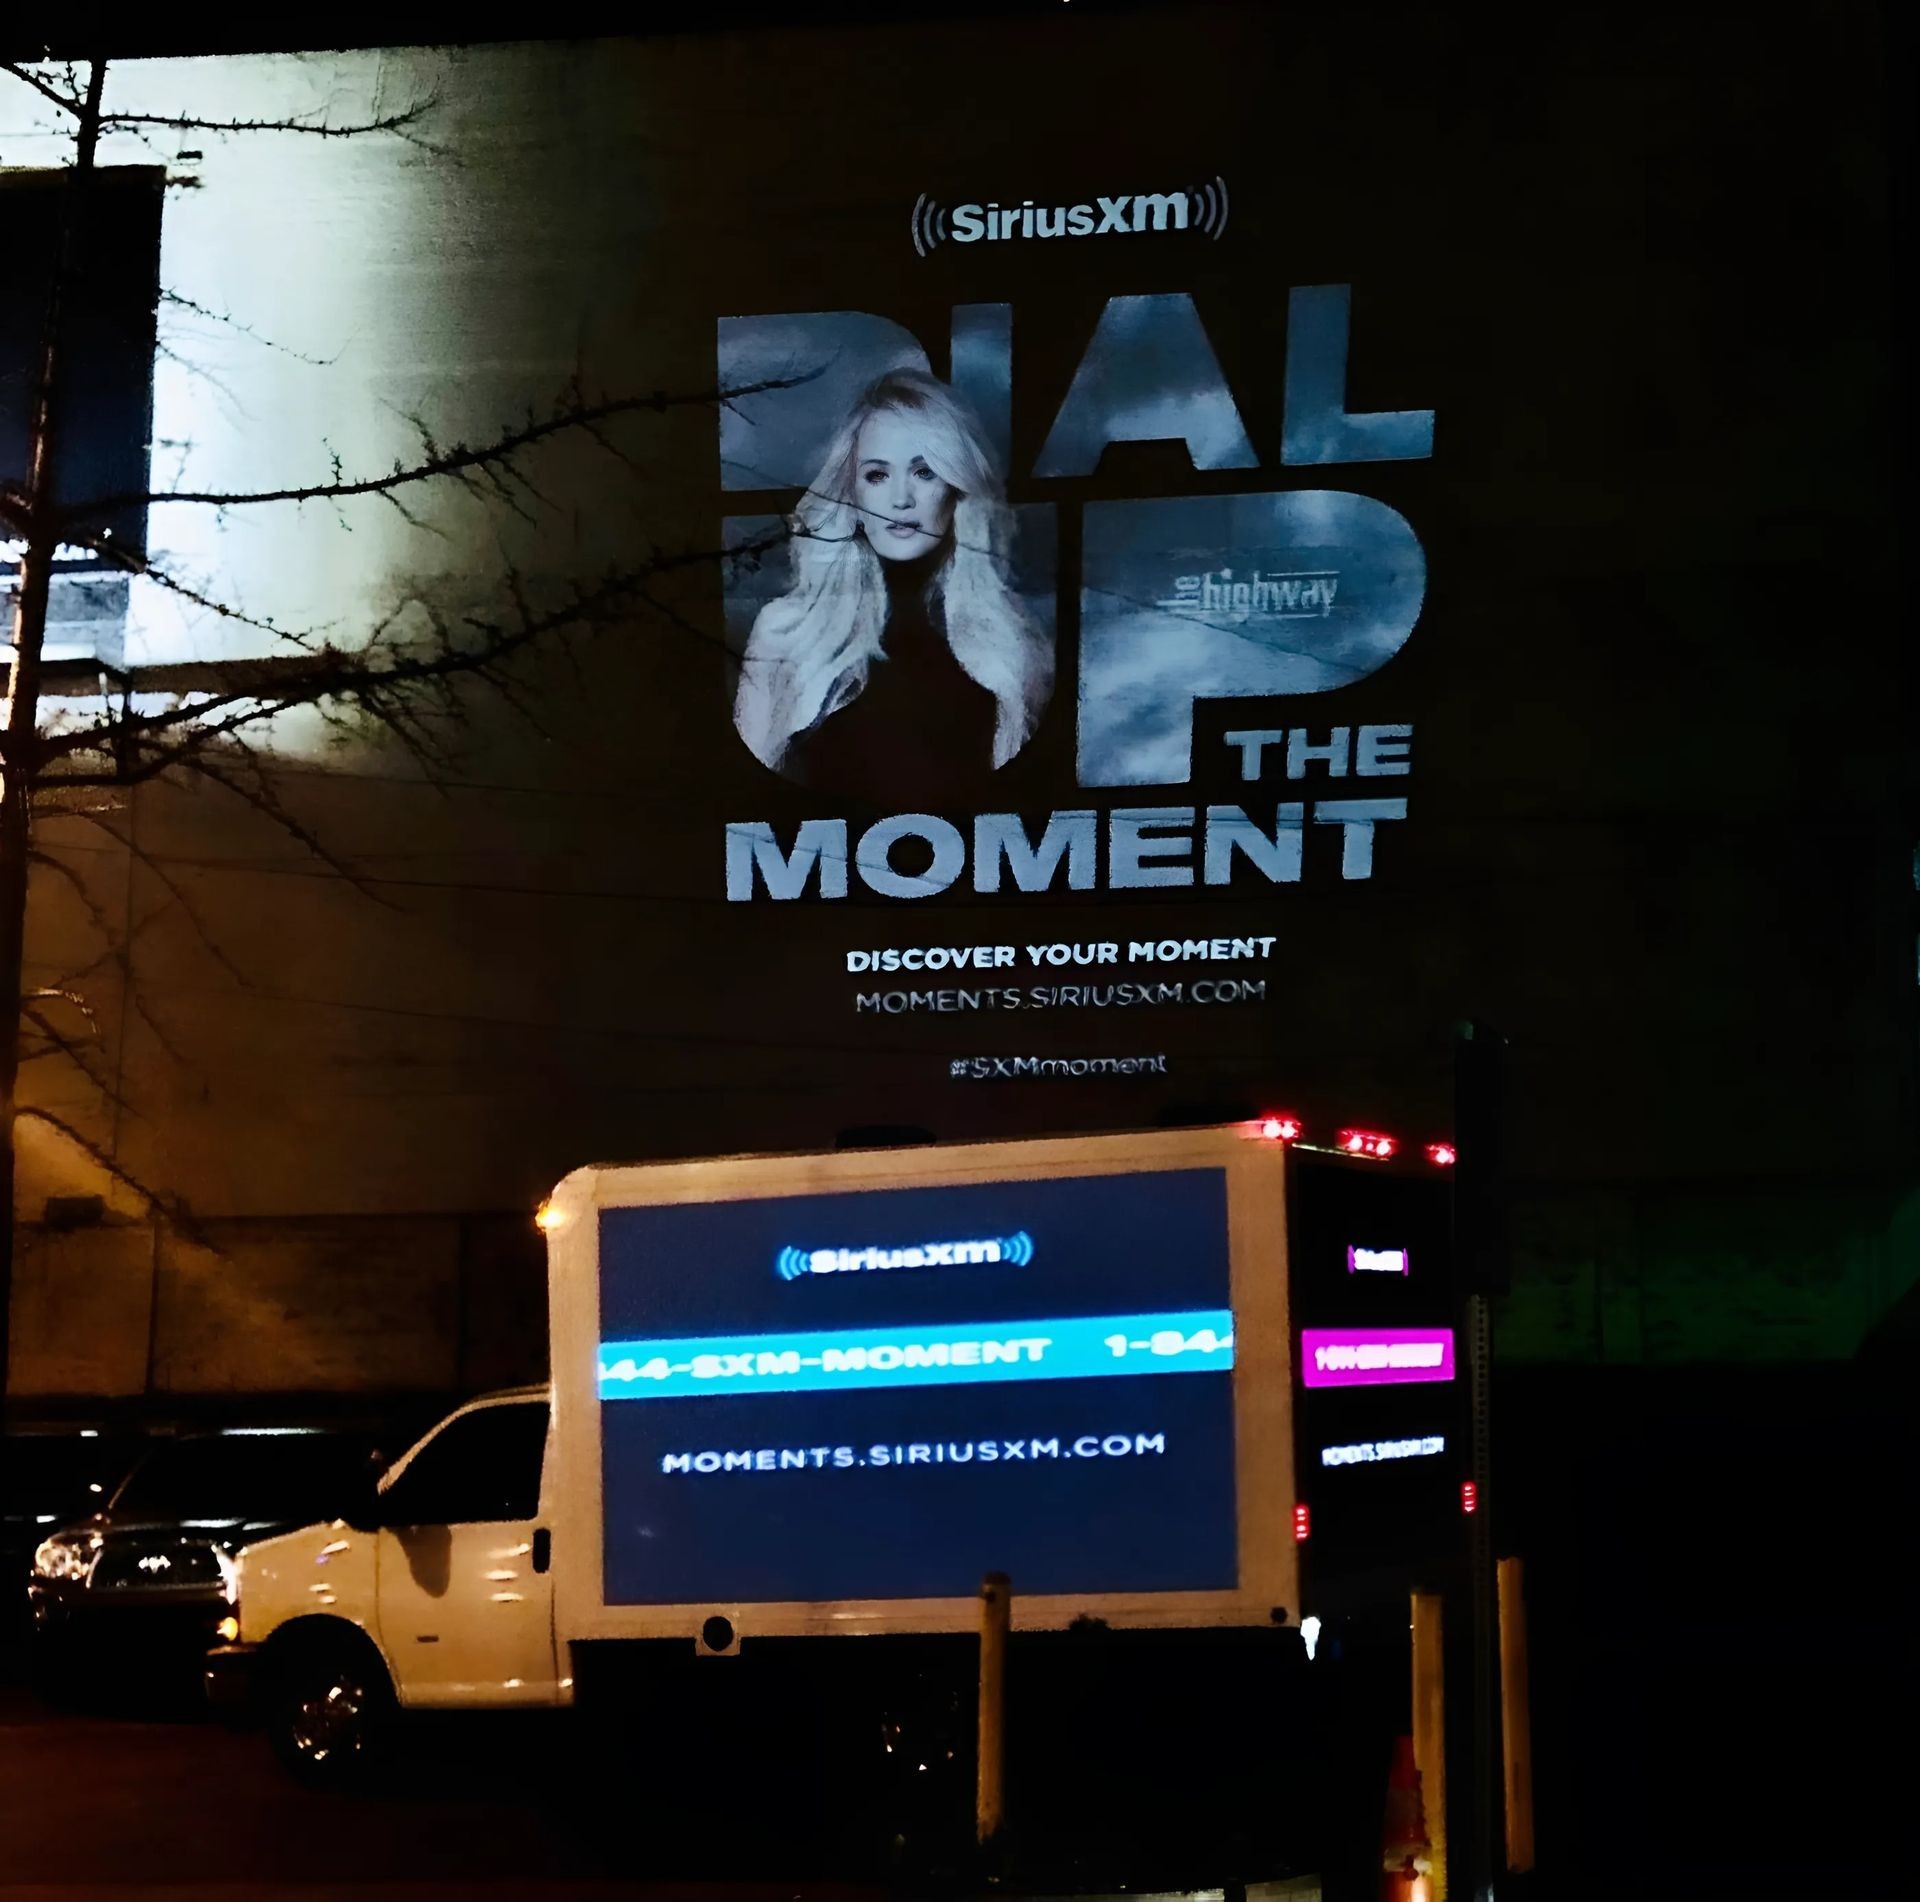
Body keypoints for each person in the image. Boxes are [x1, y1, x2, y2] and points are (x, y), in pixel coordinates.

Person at [733, 369, 1051, 804]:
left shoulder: (1011, 637)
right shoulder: (784, 631)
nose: (901, 499)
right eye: (877, 476)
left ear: (956, 489)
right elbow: (742, 803)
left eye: (924, 472)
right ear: (852, 495)